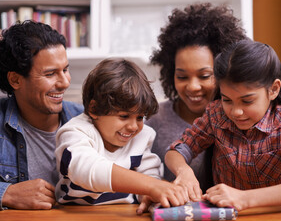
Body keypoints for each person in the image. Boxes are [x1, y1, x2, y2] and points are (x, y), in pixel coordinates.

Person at [165, 40, 281, 211]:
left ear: (273, 89)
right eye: (227, 99)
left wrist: (244, 198)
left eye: (247, 101)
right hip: (225, 220)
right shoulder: (216, 114)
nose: (236, 112)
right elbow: (175, 151)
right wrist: (183, 171)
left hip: (276, 218)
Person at [0, 20, 83, 210]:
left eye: (65, 70)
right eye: (50, 74)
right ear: (15, 79)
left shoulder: (85, 119)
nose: (64, 83)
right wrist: (6, 194)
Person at [55, 58, 188, 208]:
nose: (133, 127)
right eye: (124, 116)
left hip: (126, 217)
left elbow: (149, 175)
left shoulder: (142, 136)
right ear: (94, 109)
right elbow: (87, 169)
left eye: (140, 117)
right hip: (74, 218)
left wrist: (149, 195)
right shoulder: (75, 132)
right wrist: (152, 186)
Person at [145, 3, 247, 195]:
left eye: (204, 75)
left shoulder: (242, 117)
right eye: (182, 77)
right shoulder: (154, 121)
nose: (192, 86)